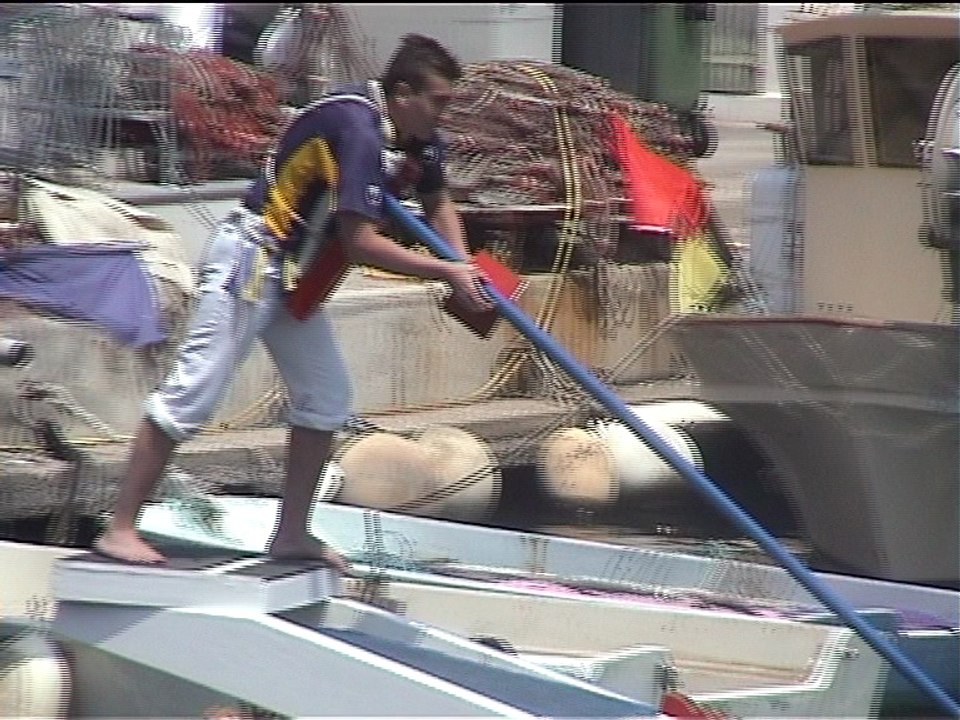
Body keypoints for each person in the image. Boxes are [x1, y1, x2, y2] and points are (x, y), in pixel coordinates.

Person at [94, 34, 492, 569]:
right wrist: (447, 271)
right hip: (251, 259)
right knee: (193, 392)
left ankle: (292, 533)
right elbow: (360, 242)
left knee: (326, 398)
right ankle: (120, 528)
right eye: (437, 102)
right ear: (402, 94)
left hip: (292, 277)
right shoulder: (358, 128)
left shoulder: (418, 137)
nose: (443, 115)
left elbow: (439, 203)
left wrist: (466, 269)